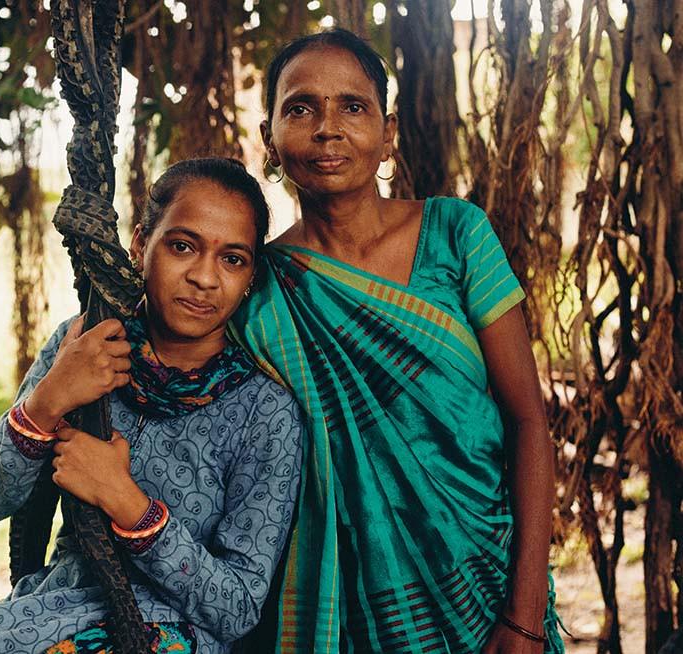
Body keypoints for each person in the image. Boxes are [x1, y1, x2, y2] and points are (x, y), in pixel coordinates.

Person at [0, 157, 303, 654]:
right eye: (182, 246)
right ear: (142, 243)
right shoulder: (84, 344)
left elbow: (238, 608)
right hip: (49, 613)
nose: (205, 278)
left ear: (251, 274)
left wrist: (127, 502)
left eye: (232, 259)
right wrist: (49, 400)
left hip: (171, 637)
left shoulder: (264, 412)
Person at [230, 29, 565, 653]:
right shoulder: (255, 288)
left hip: (488, 580)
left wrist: (523, 619)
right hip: (344, 602)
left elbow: (528, 420)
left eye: (352, 107)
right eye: (300, 108)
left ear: (387, 135)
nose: (328, 128)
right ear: (270, 139)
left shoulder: (457, 234)